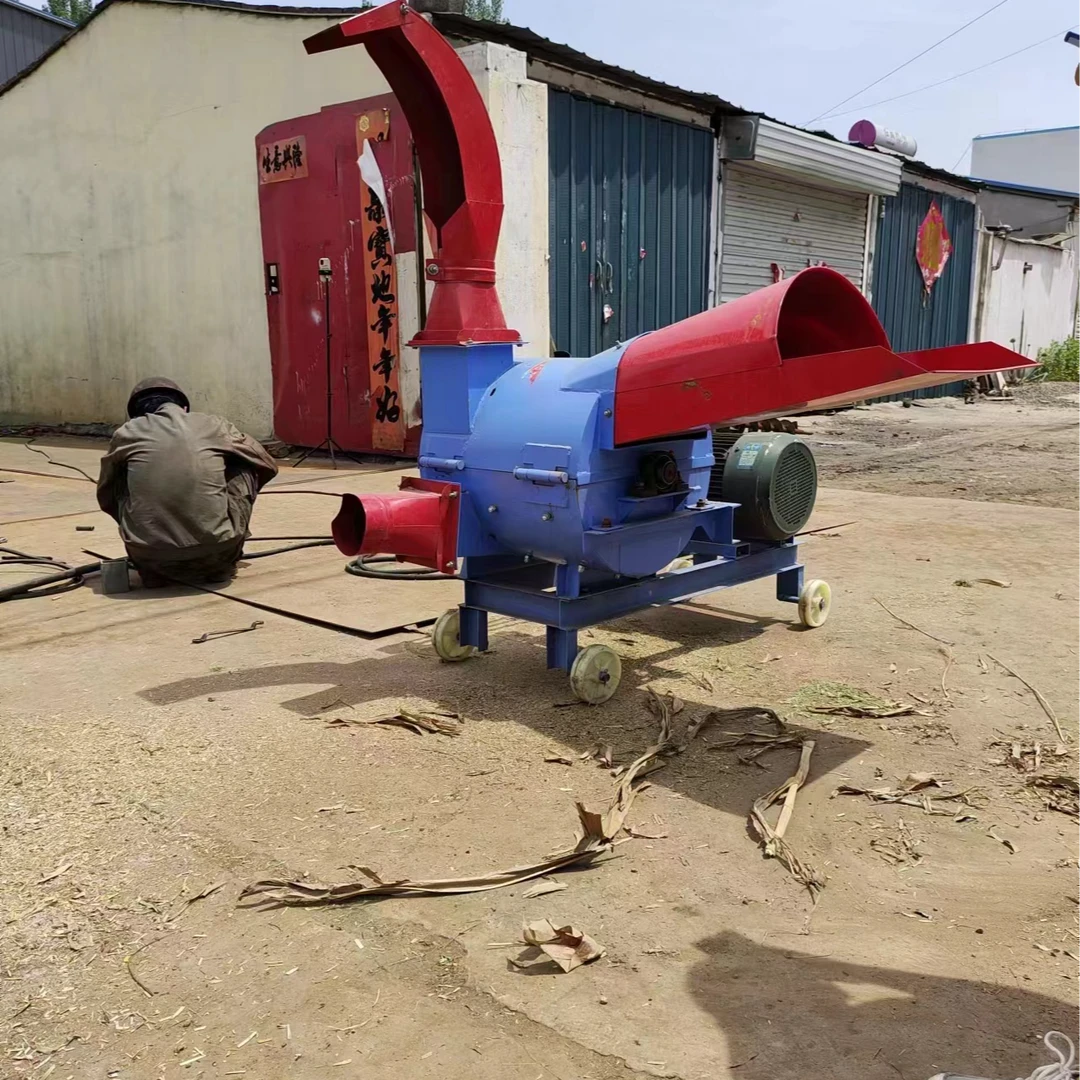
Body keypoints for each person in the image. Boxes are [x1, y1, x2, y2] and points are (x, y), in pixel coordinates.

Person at [97, 378, 279, 586]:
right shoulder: (213, 424)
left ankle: (155, 557)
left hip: (149, 559)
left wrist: (139, 525)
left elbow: (105, 494)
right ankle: (227, 548)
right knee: (244, 466)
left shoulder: (126, 433)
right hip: (218, 552)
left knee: (121, 477)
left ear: (138, 414)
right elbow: (267, 464)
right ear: (183, 407)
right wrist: (230, 495)